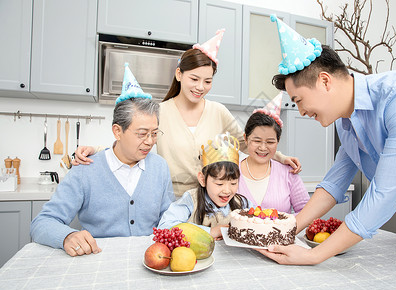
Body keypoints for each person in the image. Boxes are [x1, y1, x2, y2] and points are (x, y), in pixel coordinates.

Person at [257, 15, 396, 265]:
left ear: (324, 81)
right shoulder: (346, 124)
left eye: (299, 101)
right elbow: (333, 184)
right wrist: (289, 229)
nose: (301, 112)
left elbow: (385, 194)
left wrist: (313, 256)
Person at [73, 29, 301, 198]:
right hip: (166, 200)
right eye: (194, 79)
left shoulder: (218, 112)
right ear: (179, 75)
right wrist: (94, 149)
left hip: (209, 202)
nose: (200, 87)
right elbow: (135, 143)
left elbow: (249, 143)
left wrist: (280, 157)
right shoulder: (160, 111)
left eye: (207, 81)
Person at [31, 64, 174, 257]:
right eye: (142, 134)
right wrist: (67, 236)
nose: (149, 142)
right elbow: (42, 222)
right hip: (98, 263)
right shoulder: (85, 169)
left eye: (154, 133)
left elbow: (169, 219)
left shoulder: (159, 167)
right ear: (117, 131)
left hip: (152, 262)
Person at [158, 132, 251, 240]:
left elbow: (261, 219)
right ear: (202, 179)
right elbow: (165, 227)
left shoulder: (242, 203)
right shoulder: (191, 200)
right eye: (219, 184)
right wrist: (210, 231)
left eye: (233, 183)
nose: (227, 190)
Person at [238, 92, 310, 213]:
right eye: (256, 140)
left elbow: (306, 212)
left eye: (270, 142)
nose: (263, 147)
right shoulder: (231, 171)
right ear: (245, 138)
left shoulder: (288, 172)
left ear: (278, 141)